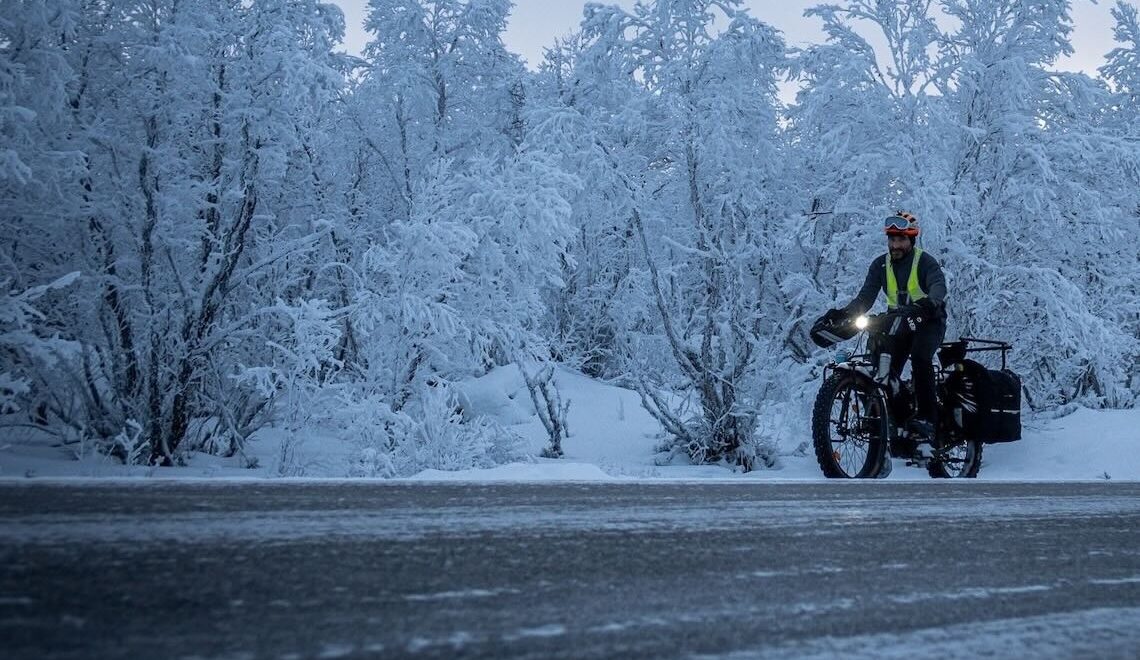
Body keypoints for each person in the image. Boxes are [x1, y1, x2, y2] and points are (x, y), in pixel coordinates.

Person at [828, 211, 947, 445]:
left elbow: (938, 285)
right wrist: (843, 314)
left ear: (911, 240)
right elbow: (865, 298)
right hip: (898, 322)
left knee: (920, 358)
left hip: (928, 320)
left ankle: (927, 419)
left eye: (901, 239)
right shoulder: (880, 265)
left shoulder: (924, 262)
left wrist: (930, 303)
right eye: (892, 239)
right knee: (881, 366)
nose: (895, 245)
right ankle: (894, 419)